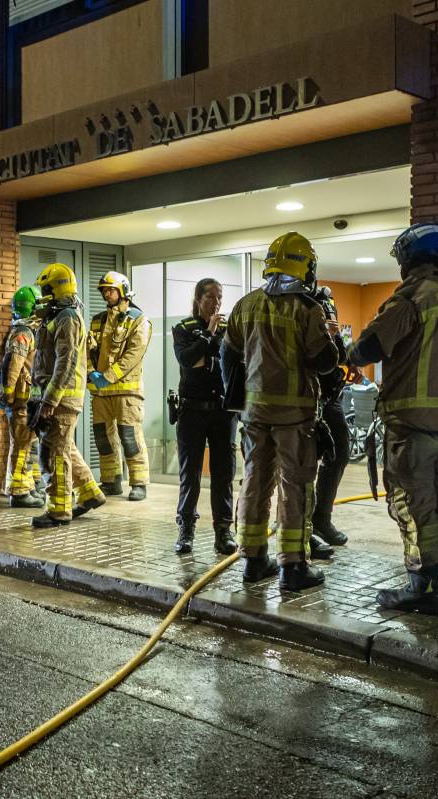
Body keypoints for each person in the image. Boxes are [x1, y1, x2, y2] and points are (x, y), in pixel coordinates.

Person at [347, 223, 438, 613]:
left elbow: (367, 349)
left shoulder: (413, 299)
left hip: (410, 425)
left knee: (413, 506)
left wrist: (346, 348)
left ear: (411, 259)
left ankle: (419, 586)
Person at [223, 232, 340, 590]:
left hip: (255, 415)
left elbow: (228, 354)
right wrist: (334, 339)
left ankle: (253, 561)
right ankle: (293, 567)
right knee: (296, 487)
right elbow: (325, 362)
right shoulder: (308, 309)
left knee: (255, 483)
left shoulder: (246, 304)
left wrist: (237, 400)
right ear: (305, 267)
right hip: (295, 417)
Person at [30, 262, 104, 528]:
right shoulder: (55, 317)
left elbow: (66, 361)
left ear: (57, 288)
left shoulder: (67, 318)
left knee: (53, 454)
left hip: (61, 400)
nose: (42, 295)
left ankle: (59, 511)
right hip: (55, 398)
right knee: (65, 448)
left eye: (45, 289)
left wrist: (50, 400)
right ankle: (90, 493)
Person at [171, 279, 236, 556]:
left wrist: (209, 354)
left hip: (223, 411)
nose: (217, 303)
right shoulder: (184, 328)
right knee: (191, 474)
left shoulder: (229, 330)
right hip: (192, 410)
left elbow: (232, 363)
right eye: (211, 297)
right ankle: (186, 530)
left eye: (220, 298)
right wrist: (208, 337)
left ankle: (223, 531)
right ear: (198, 298)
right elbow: (188, 360)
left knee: (224, 474)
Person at [87, 271, 152, 501]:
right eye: (104, 290)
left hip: (127, 392)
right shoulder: (97, 320)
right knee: (103, 439)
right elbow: (87, 349)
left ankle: (139, 482)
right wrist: (90, 373)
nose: (107, 294)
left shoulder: (138, 319)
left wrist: (108, 376)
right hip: (101, 393)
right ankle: (111, 481)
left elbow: (134, 354)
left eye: (111, 289)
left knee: (129, 438)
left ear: (123, 291)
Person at [310, 285, 353, 551]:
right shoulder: (301, 306)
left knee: (339, 453)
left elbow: (341, 355)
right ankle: (302, 525)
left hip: (331, 395)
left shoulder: (326, 301)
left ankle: (321, 519)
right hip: (308, 395)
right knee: (301, 465)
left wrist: (335, 337)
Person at [0, 286, 44, 508]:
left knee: (29, 444)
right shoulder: (23, 334)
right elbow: (14, 365)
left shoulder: (28, 331)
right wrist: (8, 394)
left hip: (30, 399)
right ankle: (18, 492)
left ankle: (31, 486)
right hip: (21, 400)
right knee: (21, 445)